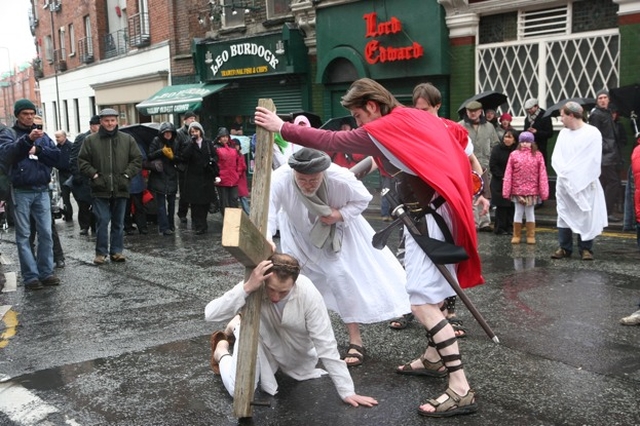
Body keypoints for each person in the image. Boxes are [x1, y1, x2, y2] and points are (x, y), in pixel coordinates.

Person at [256, 78, 483, 417]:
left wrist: (282, 127)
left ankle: (460, 388)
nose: (358, 124)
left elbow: (333, 139)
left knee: (421, 302)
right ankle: (434, 359)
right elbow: (460, 140)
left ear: (373, 106)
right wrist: (472, 184)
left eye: (359, 116)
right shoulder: (416, 117)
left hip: (432, 214)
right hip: (439, 209)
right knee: (432, 295)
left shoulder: (386, 125)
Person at [268, 148, 410, 367]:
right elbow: (268, 212)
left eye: (313, 179)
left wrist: (339, 215)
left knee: (340, 278)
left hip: (332, 232)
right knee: (297, 283)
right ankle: (300, 337)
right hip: (298, 235)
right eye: (302, 179)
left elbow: (362, 199)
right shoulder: (280, 178)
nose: (307, 184)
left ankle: (355, 339)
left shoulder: (339, 176)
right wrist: (267, 238)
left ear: (323, 173)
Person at [205, 253, 378, 407]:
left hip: (294, 354)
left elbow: (325, 344)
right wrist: (247, 288)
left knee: (271, 375)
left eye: (283, 292)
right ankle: (222, 351)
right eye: (271, 290)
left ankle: (237, 322)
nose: (274, 297)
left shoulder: (308, 294)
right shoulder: (256, 281)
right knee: (240, 391)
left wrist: (347, 391)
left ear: (294, 284)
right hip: (260, 339)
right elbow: (210, 314)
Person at [0, 99, 64, 290]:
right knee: (24, 235)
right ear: (17, 115)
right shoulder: (9, 134)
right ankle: (30, 277)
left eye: (31, 113)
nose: (29, 117)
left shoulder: (42, 136)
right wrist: (27, 141)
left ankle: (46, 272)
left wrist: (39, 148)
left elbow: (58, 158)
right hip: (20, 190)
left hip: (42, 189)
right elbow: (7, 154)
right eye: (24, 114)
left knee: (46, 233)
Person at [78, 108, 142, 265]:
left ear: (117, 121)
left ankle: (116, 251)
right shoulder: (90, 140)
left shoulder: (127, 139)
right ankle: (101, 253)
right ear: (101, 122)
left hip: (121, 187)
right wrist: (94, 175)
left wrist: (127, 175)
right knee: (103, 220)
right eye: (106, 120)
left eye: (112, 120)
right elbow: (82, 161)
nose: (110, 123)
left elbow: (137, 160)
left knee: (118, 222)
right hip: (100, 188)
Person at [550, 101, 607, 261]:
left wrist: (575, 175)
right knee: (564, 213)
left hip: (584, 183)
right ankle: (564, 247)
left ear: (571, 115)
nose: (561, 120)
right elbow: (557, 157)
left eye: (562, 116)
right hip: (565, 183)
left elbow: (592, 160)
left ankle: (586, 248)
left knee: (585, 214)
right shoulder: (563, 134)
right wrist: (565, 174)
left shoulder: (592, 133)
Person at [459, 100, 499, 232]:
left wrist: (490, 159)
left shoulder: (489, 127)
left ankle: (485, 222)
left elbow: (495, 144)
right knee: (471, 193)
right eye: (470, 111)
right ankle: (473, 222)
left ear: (480, 111)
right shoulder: (460, 126)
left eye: (475, 111)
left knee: (485, 193)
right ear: (466, 112)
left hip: (484, 165)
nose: (472, 114)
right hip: (467, 165)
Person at [502, 131, 549, 244]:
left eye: (527, 142)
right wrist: (507, 190)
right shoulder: (514, 154)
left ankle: (530, 235)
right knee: (518, 212)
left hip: (532, 190)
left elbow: (542, 174)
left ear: (532, 143)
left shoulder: (538, 155)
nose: (525, 144)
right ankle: (516, 235)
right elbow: (508, 173)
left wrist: (543, 191)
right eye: (522, 142)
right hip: (517, 190)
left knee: (530, 212)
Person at [588, 89, 623, 222]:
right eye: (600, 98)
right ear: (597, 101)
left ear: (608, 100)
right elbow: (595, 135)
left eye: (605, 98)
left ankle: (600, 211)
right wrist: (606, 148)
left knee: (604, 183)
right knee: (613, 182)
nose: (602, 100)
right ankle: (606, 212)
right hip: (605, 155)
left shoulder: (607, 113)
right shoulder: (597, 115)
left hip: (611, 154)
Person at [179, 121, 219, 234]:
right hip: (193, 178)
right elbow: (184, 156)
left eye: (196, 131)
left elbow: (215, 155)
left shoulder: (207, 143)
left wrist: (212, 161)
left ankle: (203, 223)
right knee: (195, 204)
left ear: (200, 131)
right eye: (192, 131)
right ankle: (198, 226)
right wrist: (191, 143)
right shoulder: (189, 144)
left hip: (206, 176)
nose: (194, 133)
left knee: (205, 203)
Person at [147, 122, 180, 235]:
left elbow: (179, 158)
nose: (167, 134)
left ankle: (171, 224)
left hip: (171, 175)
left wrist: (172, 157)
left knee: (171, 203)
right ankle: (164, 227)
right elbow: (150, 155)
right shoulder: (156, 141)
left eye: (169, 132)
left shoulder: (175, 142)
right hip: (159, 175)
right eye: (165, 133)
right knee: (161, 204)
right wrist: (161, 152)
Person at [70, 115, 100, 235]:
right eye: (98, 125)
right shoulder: (82, 138)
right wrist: (76, 175)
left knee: (96, 203)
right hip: (83, 177)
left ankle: (95, 225)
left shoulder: (102, 138)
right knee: (83, 203)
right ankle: (84, 226)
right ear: (92, 126)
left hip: (96, 176)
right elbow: (74, 158)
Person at [489, 129, 518, 236]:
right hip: (499, 181)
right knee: (501, 206)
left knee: (511, 206)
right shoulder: (497, 149)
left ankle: (510, 227)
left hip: (513, 181)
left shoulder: (516, 151)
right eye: (506, 137)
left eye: (510, 137)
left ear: (515, 140)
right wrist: (502, 176)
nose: (507, 139)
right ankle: (500, 228)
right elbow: (493, 165)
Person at [176, 111, 197, 224]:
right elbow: (176, 150)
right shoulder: (179, 133)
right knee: (184, 192)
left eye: (194, 118)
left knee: (194, 191)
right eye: (190, 118)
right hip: (184, 167)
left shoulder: (197, 132)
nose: (192, 120)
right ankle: (182, 213)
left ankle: (195, 214)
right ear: (185, 120)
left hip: (194, 166)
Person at [213, 127, 240, 216]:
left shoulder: (233, 148)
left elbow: (238, 162)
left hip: (233, 178)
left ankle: (233, 221)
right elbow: (215, 164)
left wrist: (237, 173)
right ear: (219, 138)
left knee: (234, 201)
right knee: (224, 202)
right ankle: (227, 221)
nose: (225, 138)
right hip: (222, 179)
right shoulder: (216, 149)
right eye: (222, 137)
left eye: (226, 136)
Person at [523, 98, 554, 166]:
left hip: (541, 149)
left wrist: (537, 132)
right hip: (529, 150)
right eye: (527, 109)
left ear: (536, 106)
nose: (529, 111)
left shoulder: (545, 117)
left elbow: (550, 133)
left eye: (530, 109)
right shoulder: (527, 119)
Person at [54, 130, 73, 222]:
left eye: (58, 137)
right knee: (65, 196)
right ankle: (68, 215)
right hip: (61, 173)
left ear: (64, 136)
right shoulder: (56, 148)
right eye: (56, 137)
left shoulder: (71, 146)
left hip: (71, 173)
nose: (57, 139)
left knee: (77, 196)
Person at [232, 138, 250, 215]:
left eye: (237, 145)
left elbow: (242, 167)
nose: (236, 147)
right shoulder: (232, 155)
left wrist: (236, 174)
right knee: (236, 199)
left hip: (239, 180)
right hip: (234, 180)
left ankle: (249, 215)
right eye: (234, 145)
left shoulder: (240, 155)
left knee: (243, 198)